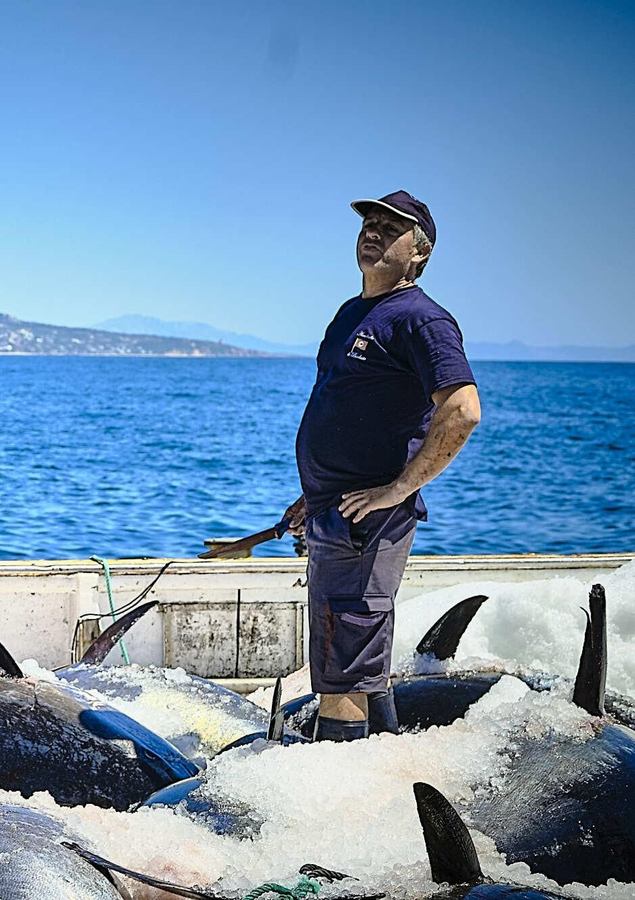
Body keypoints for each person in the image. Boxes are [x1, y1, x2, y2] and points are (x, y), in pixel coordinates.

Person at [284, 191, 482, 742]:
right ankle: (387, 773)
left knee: (343, 666)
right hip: (335, 511)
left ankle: (335, 794)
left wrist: (398, 489)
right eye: (368, 223)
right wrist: (313, 496)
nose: (372, 230)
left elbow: (462, 410)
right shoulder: (352, 312)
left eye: (390, 228)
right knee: (354, 659)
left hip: (367, 521)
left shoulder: (424, 319)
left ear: (418, 255)